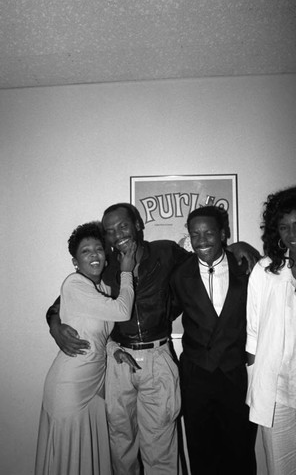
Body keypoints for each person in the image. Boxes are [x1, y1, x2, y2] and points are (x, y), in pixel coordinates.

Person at [46, 203, 260, 475]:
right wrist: (54, 321)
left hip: (158, 358)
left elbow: (206, 257)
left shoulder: (166, 252)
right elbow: (69, 298)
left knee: (161, 448)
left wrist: (235, 247)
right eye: (110, 231)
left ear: (137, 225)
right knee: (121, 450)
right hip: (119, 361)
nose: (117, 234)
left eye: (123, 225)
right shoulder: (106, 264)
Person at [35, 221, 136, 475]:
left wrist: (115, 350)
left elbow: (99, 335)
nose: (94, 255)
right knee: (69, 459)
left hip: (94, 386)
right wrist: (126, 272)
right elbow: (122, 311)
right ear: (75, 261)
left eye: (99, 249)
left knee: (89, 457)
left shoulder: (102, 289)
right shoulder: (74, 284)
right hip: (69, 386)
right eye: (86, 251)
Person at [170, 206, 257, 475]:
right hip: (196, 375)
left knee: (240, 450)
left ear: (223, 234)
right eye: (195, 234)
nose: (202, 240)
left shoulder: (247, 267)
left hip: (236, 373)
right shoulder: (178, 274)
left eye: (209, 233)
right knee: (201, 451)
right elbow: (159, 313)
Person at [246, 186, 296, 475]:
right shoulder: (266, 271)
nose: (291, 234)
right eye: (284, 227)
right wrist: (256, 388)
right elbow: (252, 334)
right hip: (277, 394)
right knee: (280, 468)